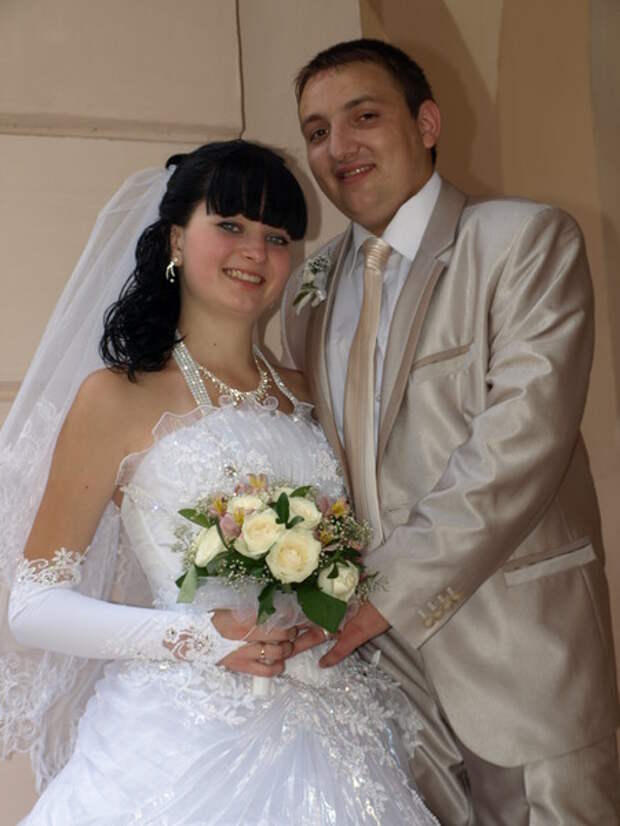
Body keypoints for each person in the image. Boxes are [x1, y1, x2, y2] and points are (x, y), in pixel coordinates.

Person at [0, 140, 440, 824]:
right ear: (177, 238)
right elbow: (33, 604)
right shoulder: (116, 398)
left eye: (276, 236)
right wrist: (203, 639)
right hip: (177, 744)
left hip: (333, 723)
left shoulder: (310, 394)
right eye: (230, 225)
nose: (255, 252)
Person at [281, 38, 620, 825]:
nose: (339, 146)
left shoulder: (523, 240)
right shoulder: (306, 291)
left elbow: (520, 443)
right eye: (318, 131)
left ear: (427, 123)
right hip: (376, 678)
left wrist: (385, 594)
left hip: (519, 652)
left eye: (364, 117)